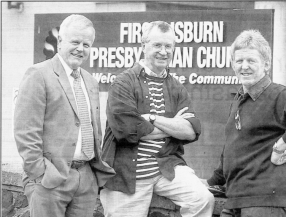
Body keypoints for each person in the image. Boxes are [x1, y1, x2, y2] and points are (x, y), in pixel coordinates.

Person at [100, 21, 215, 217]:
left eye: (168, 46)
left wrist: (151, 119)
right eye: (157, 45)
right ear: (143, 46)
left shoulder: (177, 87)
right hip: (128, 173)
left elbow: (191, 130)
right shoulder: (123, 83)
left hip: (167, 167)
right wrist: (172, 127)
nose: (163, 51)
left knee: (203, 199)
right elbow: (128, 131)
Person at [14, 14, 115, 217]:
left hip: (86, 180)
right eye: (75, 42)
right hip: (50, 181)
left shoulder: (90, 82)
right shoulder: (38, 74)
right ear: (60, 41)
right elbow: (26, 132)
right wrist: (41, 172)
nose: (81, 48)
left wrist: (92, 177)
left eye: (86, 44)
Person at [205, 29, 286, 217]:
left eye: (251, 60)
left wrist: (280, 147)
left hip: (267, 202)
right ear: (233, 64)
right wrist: (209, 183)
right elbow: (232, 149)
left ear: (266, 65)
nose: (244, 66)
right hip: (235, 200)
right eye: (239, 61)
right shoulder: (240, 99)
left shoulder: (280, 95)